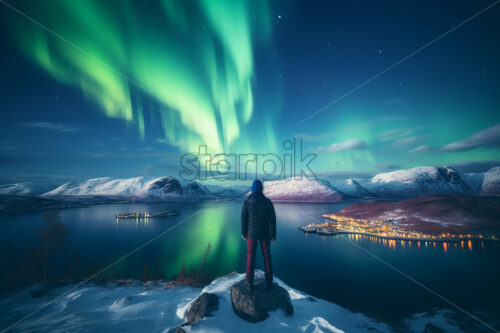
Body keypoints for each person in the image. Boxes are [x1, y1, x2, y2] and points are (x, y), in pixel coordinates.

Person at [241, 179, 276, 291]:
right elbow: (272, 219)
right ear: (261, 189)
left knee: (250, 256)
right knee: (267, 255)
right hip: (265, 234)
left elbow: (243, 219)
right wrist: (273, 234)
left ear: (252, 189)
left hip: (251, 235)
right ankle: (269, 281)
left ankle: (250, 283)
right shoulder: (267, 202)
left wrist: (244, 232)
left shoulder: (247, 202)